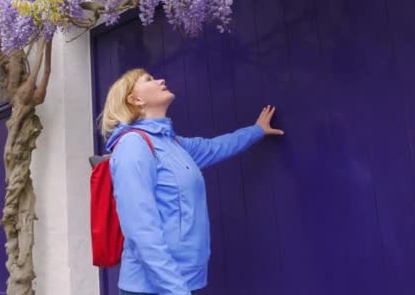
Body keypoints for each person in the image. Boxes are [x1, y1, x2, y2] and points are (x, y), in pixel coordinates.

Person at [99, 68, 284, 295]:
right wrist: (175, 289)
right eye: (148, 79)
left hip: (182, 282)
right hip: (154, 288)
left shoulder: (173, 144)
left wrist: (257, 131)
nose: (161, 80)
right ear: (135, 99)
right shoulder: (133, 145)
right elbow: (140, 228)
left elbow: (215, 147)